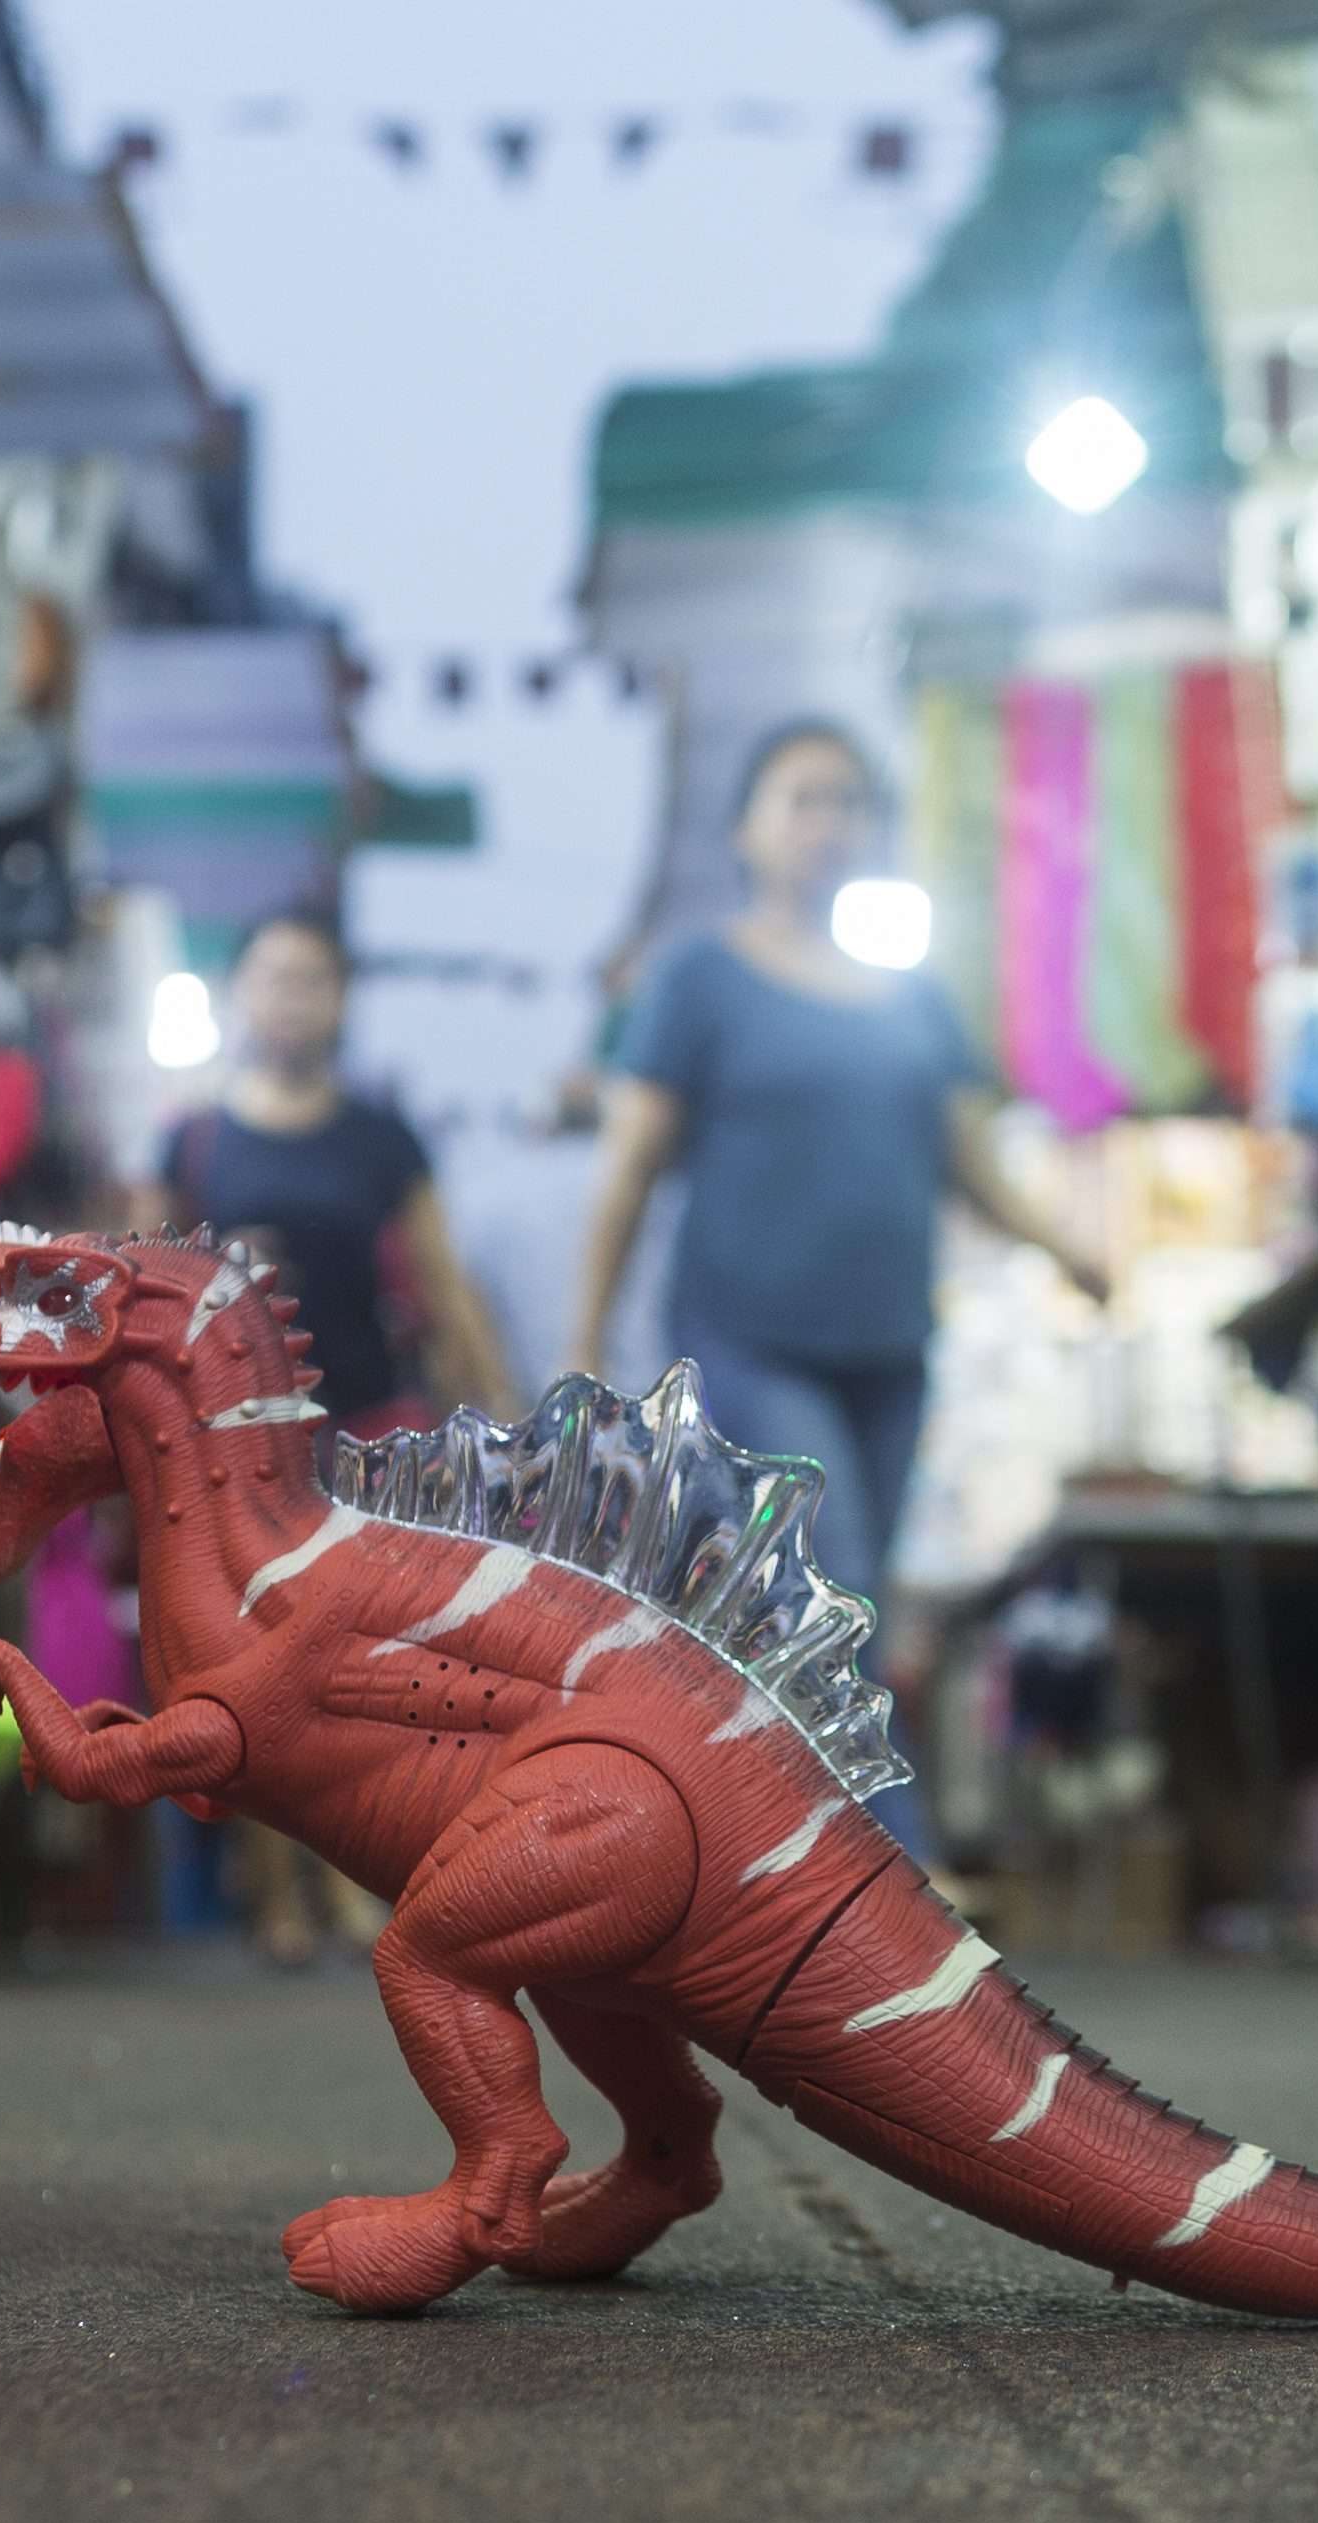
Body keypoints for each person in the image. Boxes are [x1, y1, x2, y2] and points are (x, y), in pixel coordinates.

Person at [568, 720, 1108, 1864]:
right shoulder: (698, 978)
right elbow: (625, 1173)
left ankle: (762, 1861)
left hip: (890, 1349)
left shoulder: (914, 1000)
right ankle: (884, 1871)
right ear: (746, 830)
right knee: (837, 1589)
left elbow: (971, 1160)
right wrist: (583, 1347)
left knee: (825, 1609)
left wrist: (1068, 1246)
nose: (832, 822)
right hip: (750, 1337)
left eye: (851, 802)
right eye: (805, 798)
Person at [131, 906, 521, 1963]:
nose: (292, 997)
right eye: (274, 976)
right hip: (240, 1445)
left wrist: (506, 1412)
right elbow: (144, 1294)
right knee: (259, 1674)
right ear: (240, 995)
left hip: (368, 1431)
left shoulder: (380, 1137)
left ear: (342, 998)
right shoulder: (196, 1139)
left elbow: (443, 1283)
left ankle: (361, 1877)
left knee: (368, 1677)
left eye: (313, 978)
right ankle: (276, 1893)